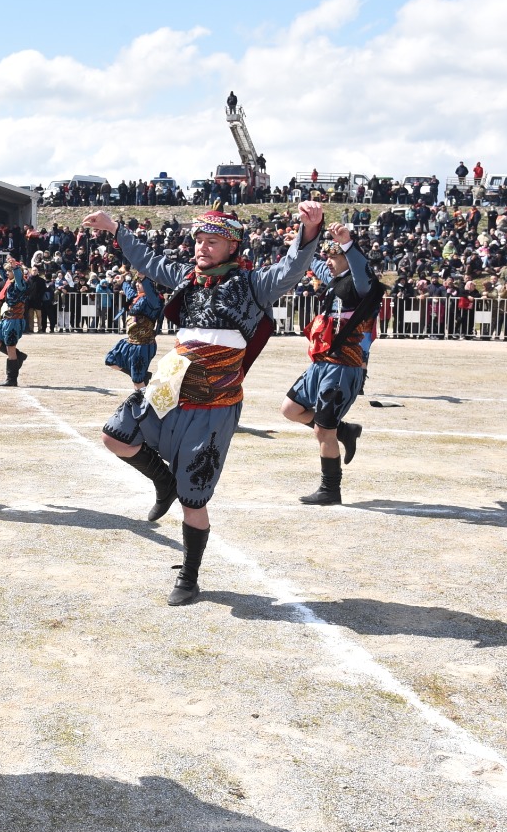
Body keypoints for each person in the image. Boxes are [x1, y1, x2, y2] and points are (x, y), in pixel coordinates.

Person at [85, 203, 323, 604]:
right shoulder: (186, 277)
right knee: (116, 435)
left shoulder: (253, 285)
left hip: (214, 403)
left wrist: (309, 229)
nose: (202, 248)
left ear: (232, 246)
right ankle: (162, 481)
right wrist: (115, 229)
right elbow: (148, 258)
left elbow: (290, 270)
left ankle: (189, 578)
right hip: (169, 388)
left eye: (212, 242)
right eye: (199, 240)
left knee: (194, 497)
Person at [279, 223, 380, 505]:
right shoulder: (337, 278)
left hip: (342, 366)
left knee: (324, 431)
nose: (328, 263)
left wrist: (347, 242)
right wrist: (298, 245)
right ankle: (344, 430)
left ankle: (330, 489)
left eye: (333, 258)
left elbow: (360, 269)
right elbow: (316, 266)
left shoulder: (363, 285)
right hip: (322, 363)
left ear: (347, 257)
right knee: (291, 409)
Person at [103, 272, 162, 387]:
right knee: (110, 360)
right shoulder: (138, 298)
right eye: (137, 283)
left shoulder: (154, 301)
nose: (137, 285)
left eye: (140, 283)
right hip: (131, 342)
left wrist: (145, 278)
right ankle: (140, 377)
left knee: (138, 382)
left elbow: (149, 292)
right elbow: (130, 293)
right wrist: (122, 282)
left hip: (143, 345)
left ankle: (142, 401)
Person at [0, 258, 29, 386]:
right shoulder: (9, 282)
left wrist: (15, 268)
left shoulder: (21, 283)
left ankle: (11, 379)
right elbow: (4, 274)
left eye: (9, 271)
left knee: (10, 347)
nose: (6, 273)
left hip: (14, 319)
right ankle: (19, 356)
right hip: (6, 318)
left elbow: (17, 277)